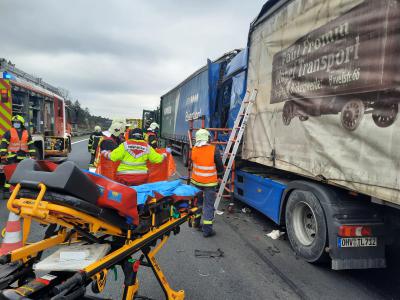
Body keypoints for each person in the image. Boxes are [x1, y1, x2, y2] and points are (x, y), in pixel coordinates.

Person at [103, 128, 167, 186]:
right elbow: (158, 159)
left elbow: (113, 157)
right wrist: (164, 155)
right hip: (141, 177)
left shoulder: (125, 145)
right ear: (142, 136)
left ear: (131, 135)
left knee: (125, 194)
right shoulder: (147, 147)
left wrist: (104, 153)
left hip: (124, 176)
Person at [190, 129, 224, 238]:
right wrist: (220, 175)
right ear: (208, 138)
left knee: (198, 203)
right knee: (208, 205)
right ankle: (207, 230)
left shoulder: (194, 149)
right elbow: (219, 166)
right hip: (209, 183)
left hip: (196, 182)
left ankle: (196, 222)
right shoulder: (214, 149)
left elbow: (193, 162)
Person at [0, 115, 36, 189]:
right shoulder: (9, 132)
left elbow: (31, 144)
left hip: (23, 157)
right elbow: (4, 143)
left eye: (18, 122)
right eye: (14, 122)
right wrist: (3, 154)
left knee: (23, 173)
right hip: (11, 157)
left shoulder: (27, 133)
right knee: (11, 172)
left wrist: (33, 154)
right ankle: (7, 189)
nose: (16, 123)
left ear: (21, 123)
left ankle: (20, 188)